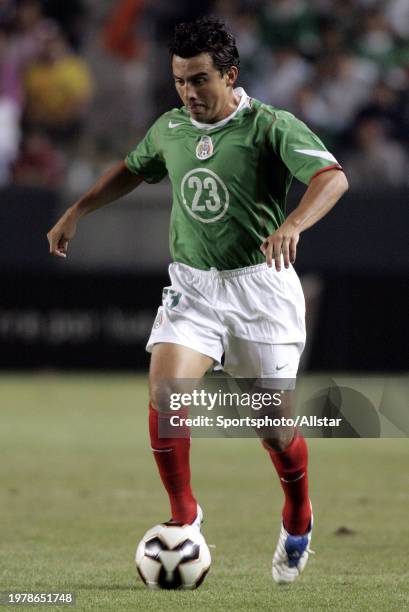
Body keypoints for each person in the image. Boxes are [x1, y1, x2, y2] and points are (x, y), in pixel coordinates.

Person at [47, 17, 348, 584]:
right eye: (180, 81)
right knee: (166, 392)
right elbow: (132, 170)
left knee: (275, 432)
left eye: (201, 80)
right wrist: (77, 211)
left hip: (261, 288)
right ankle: (185, 515)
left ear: (230, 75)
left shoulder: (269, 125)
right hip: (195, 287)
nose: (189, 92)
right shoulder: (171, 128)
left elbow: (332, 177)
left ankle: (299, 513)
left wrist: (294, 224)